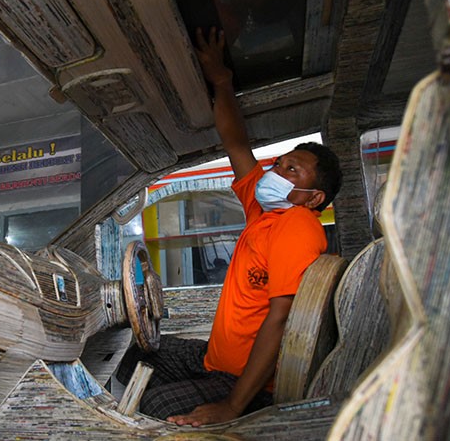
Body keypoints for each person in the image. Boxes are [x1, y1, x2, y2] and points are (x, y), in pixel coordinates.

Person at [115, 27, 342, 427]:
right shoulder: (265, 210)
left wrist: (233, 405)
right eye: (279, 163)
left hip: (243, 382)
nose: (277, 170)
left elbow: (283, 318)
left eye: (292, 169)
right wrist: (221, 80)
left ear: (313, 197)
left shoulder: (297, 226)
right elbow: (236, 145)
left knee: (155, 408)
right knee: (136, 354)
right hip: (211, 360)